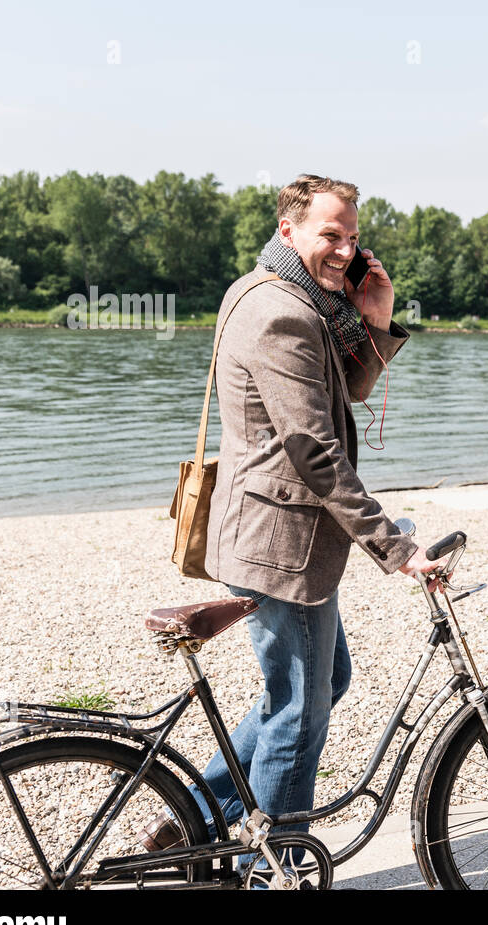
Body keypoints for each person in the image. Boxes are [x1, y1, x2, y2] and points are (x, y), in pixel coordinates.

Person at [140, 174, 445, 853]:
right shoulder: (283, 312)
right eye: (329, 235)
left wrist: (373, 314)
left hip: (266, 533)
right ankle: (272, 869)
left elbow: (348, 387)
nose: (343, 251)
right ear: (289, 230)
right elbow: (315, 450)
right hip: (284, 546)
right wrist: (396, 547)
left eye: (353, 238)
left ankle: (192, 813)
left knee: (321, 682)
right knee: (297, 715)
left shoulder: (286, 296)